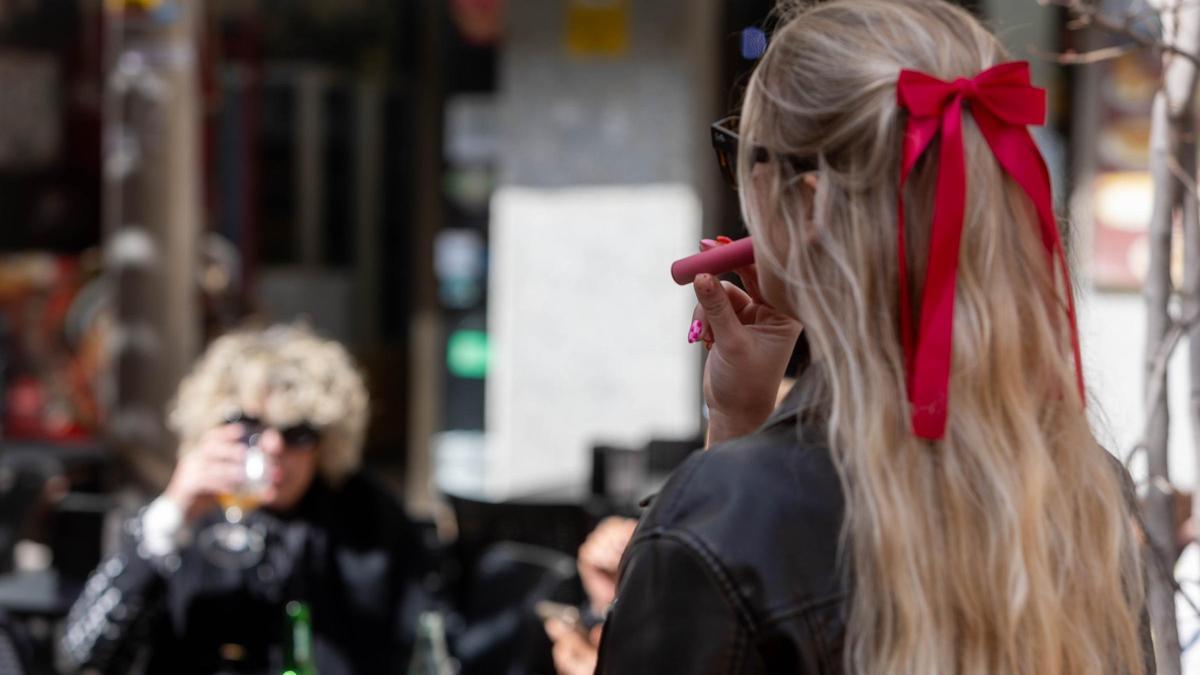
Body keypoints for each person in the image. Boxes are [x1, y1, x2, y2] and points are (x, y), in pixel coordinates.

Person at [596, 1, 1155, 674]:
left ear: (805, 203)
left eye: (738, 152)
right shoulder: (1088, 488)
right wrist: (741, 423)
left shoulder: (720, 522)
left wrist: (729, 463)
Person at [60, 324, 435, 674]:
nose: (271, 446)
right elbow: (82, 652)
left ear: (326, 441)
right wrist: (171, 515)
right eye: (249, 425)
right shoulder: (183, 517)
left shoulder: (366, 516)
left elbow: (423, 644)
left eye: (298, 432)